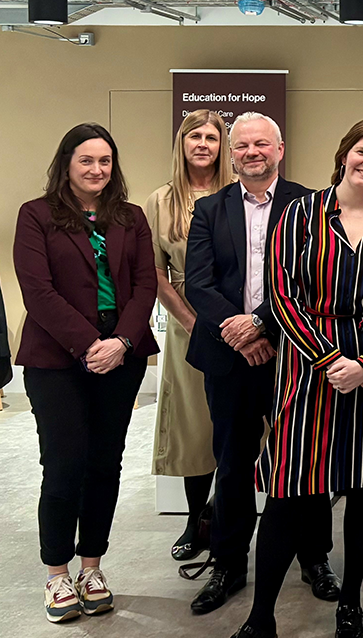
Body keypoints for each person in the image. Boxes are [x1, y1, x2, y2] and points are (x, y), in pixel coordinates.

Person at [201, 117, 363, 638]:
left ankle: (350, 604)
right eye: (361, 151)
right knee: (289, 491)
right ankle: (260, 621)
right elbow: (281, 294)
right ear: (343, 154)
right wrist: (329, 360)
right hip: (308, 368)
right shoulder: (300, 214)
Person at [185, 112, 339, 615]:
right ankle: (229, 564)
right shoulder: (209, 209)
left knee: (305, 461)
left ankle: (314, 558)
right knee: (232, 464)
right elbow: (198, 284)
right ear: (232, 155)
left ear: (280, 149)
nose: (252, 152)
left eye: (261, 144)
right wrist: (239, 329)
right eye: (243, 145)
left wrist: (263, 324)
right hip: (229, 355)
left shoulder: (311, 204)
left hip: (293, 350)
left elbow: (315, 279)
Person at [13, 123, 159, 622]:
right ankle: (57, 574)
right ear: (66, 165)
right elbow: (38, 292)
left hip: (121, 357)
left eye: (105, 161)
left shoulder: (131, 218)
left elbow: (145, 287)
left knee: (104, 463)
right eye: (86, 161)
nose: (97, 170)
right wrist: (89, 344)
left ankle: (92, 567)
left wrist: (120, 342)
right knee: (64, 464)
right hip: (56, 360)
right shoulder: (35, 216)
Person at [144, 109, 233, 562]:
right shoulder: (160, 200)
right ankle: (196, 517)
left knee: (239, 424)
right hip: (188, 324)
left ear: (223, 146)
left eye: (212, 137)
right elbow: (156, 272)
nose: (202, 144)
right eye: (194, 136)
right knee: (193, 426)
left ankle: (224, 511)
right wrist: (191, 322)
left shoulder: (237, 195)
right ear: (181, 143)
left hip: (238, 323)